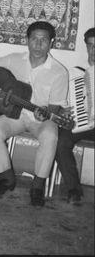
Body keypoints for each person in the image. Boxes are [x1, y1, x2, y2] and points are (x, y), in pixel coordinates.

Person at [0, 21, 69, 207]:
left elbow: (55, 108)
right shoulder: (14, 59)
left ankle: (37, 186)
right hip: (16, 114)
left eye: (43, 40)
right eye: (34, 39)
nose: (38, 45)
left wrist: (45, 115)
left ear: (51, 43)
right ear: (27, 41)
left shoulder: (59, 72)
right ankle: (6, 178)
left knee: (50, 135)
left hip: (41, 118)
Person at [55, 27, 95, 205]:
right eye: (91, 46)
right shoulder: (76, 73)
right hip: (81, 123)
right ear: (86, 47)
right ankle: (73, 189)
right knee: (61, 141)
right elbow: (62, 101)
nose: (94, 51)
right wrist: (64, 111)